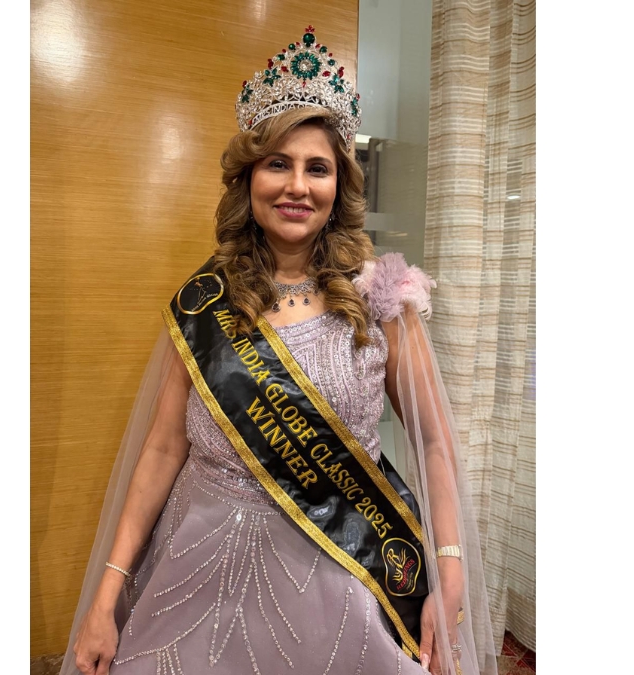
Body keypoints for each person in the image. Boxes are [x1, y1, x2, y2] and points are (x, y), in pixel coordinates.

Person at [61, 26, 498, 675]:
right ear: (248, 178)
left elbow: (435, 442)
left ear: (339, 184)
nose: (297, 186)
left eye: (317, 168)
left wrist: (449, 568)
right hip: (195, 574)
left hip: (342, 581)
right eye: (277, 163)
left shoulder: (383, 298)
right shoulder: (205, 303)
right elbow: (162, 448)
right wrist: (106, 594)